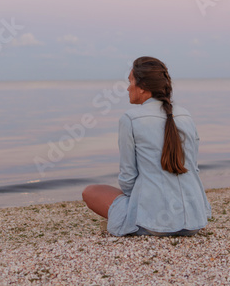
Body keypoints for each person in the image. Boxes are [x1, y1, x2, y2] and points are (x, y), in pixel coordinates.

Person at [82, 56, 212, 236]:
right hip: (194, 222)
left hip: (155, 223)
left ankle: (138, 222)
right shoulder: (186, 115)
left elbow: (128, 178)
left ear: (143, 87)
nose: (128, 88)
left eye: (130, 81)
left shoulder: (130, 119)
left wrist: (141, 201)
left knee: (91, 192)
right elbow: (193, 168)